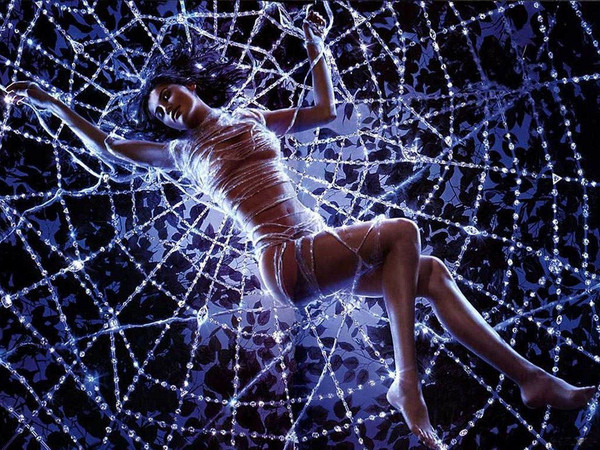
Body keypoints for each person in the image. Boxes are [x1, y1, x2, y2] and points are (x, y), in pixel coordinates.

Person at [5, 9, 596, 450]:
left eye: (167, 94)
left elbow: (323, 112)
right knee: (401, 231)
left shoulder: (253, 116)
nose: (166, 108)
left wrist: (316, 43)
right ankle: (406, 382)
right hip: (285, 259)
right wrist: (49, 103)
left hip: (317, 241)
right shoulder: (179, 154)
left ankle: (533, 381)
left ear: (188, 84)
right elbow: (108, 146)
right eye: (159, 112)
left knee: (433, 274)